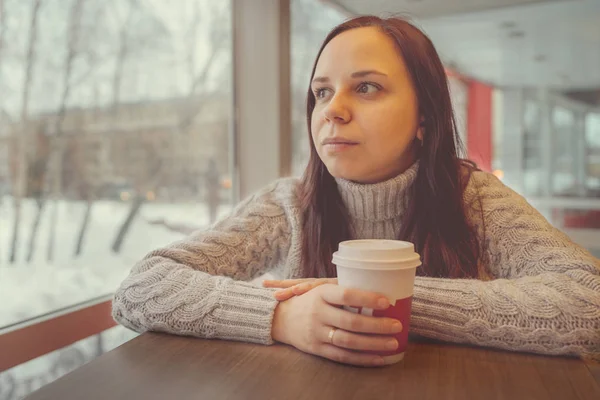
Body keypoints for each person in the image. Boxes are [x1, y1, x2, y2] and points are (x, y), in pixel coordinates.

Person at [112, 16, 600, 367]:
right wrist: (283, 317)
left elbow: (587, 302)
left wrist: (381, 304)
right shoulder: (287, 203)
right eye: (322, 92)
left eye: (366, 88)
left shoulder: (475, 198)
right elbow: (141, 288)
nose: (332, 110)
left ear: (425, 119)